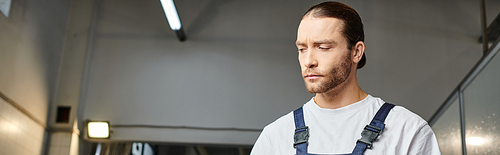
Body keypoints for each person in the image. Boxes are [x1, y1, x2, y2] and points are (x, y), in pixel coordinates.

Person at [250, 1, 441, 155]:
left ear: (356, 52)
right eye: (302, 49)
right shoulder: (275, 138)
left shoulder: (407, 132)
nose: (308, 61)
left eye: (323, 47)